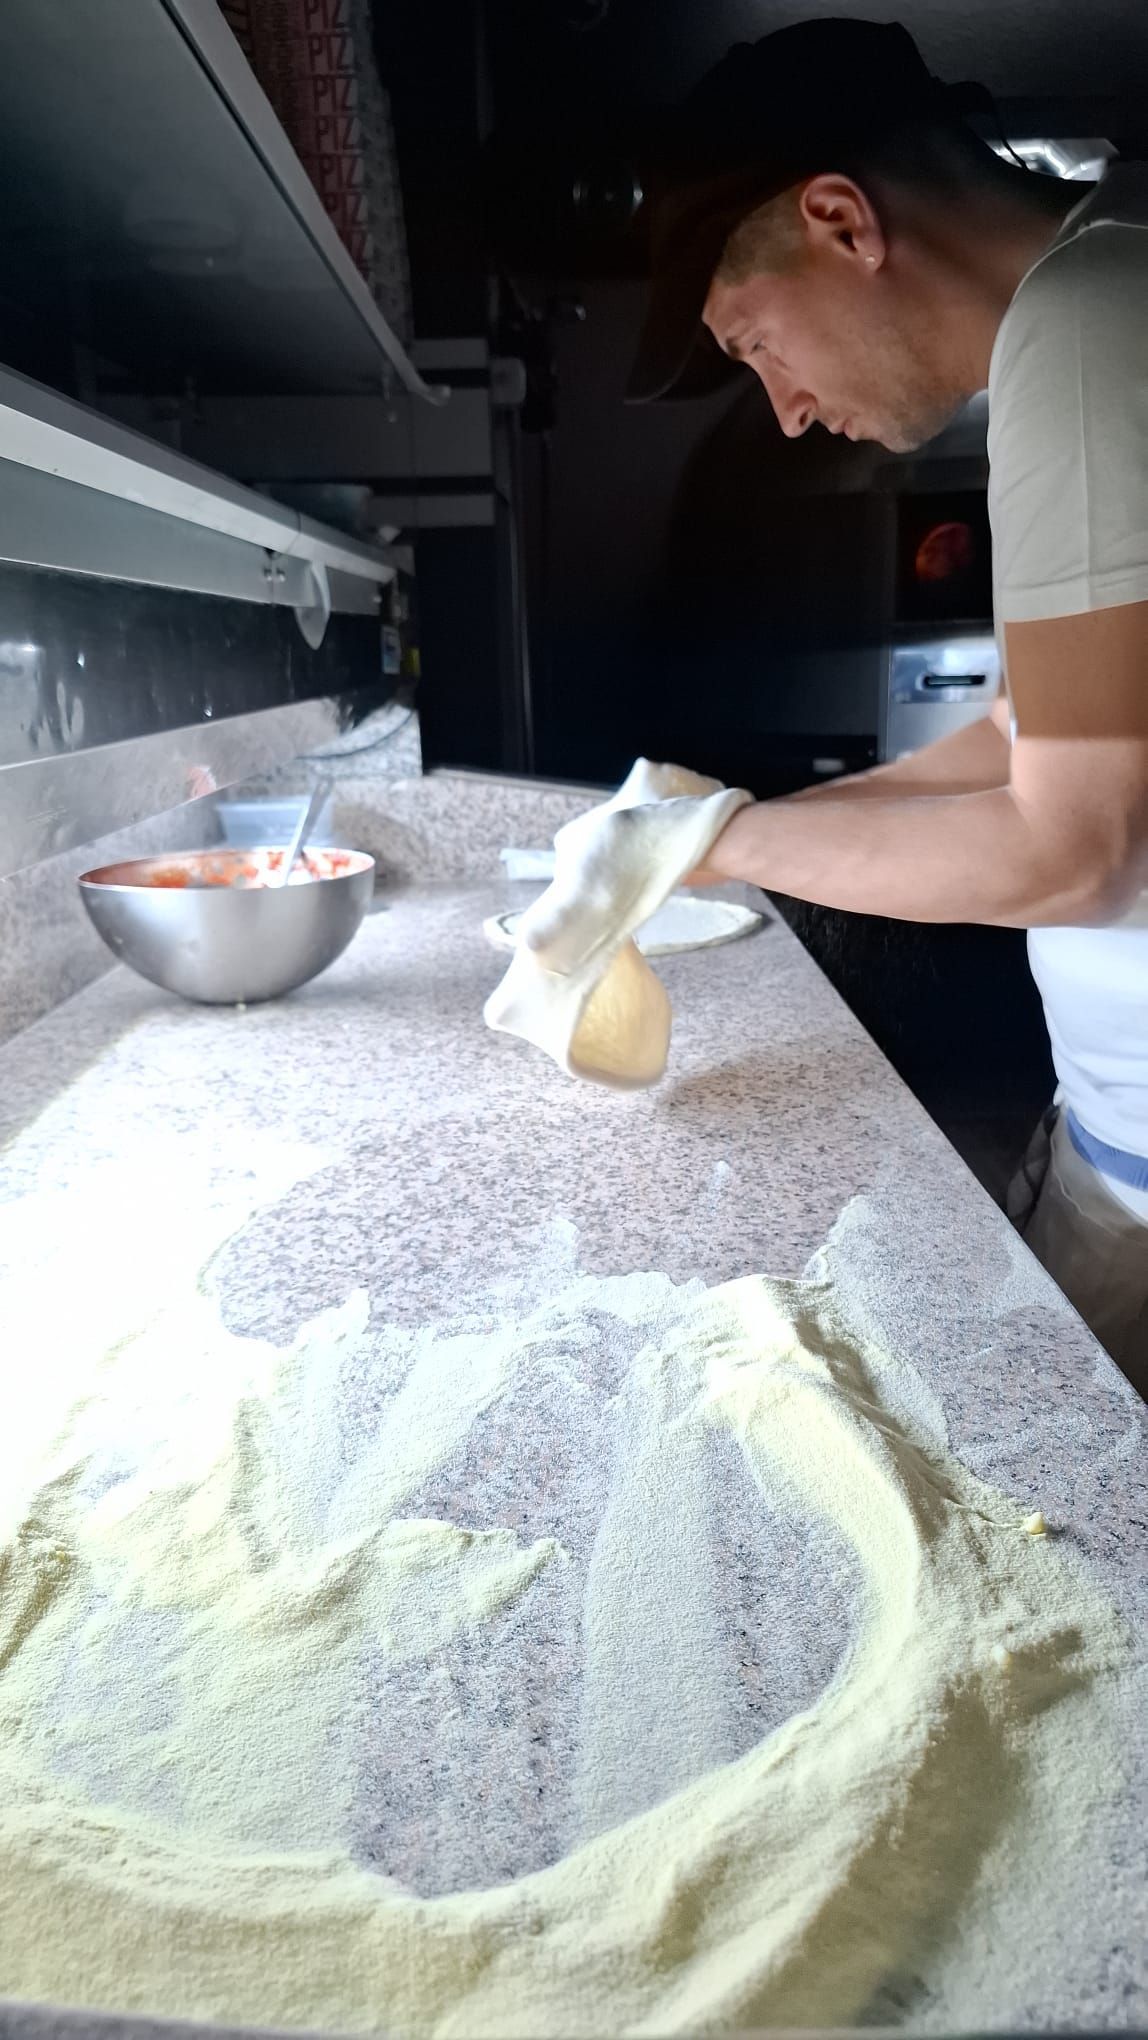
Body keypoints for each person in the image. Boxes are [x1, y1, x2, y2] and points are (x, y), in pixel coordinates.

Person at [626, 18, 1148, 1385]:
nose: (784, 411)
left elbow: (1073, 847)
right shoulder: (1111, 283)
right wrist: (744, 820)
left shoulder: (1089, 320)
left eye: (753, 341)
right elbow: (1022, 736)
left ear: (842, 221)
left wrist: (691, 849)